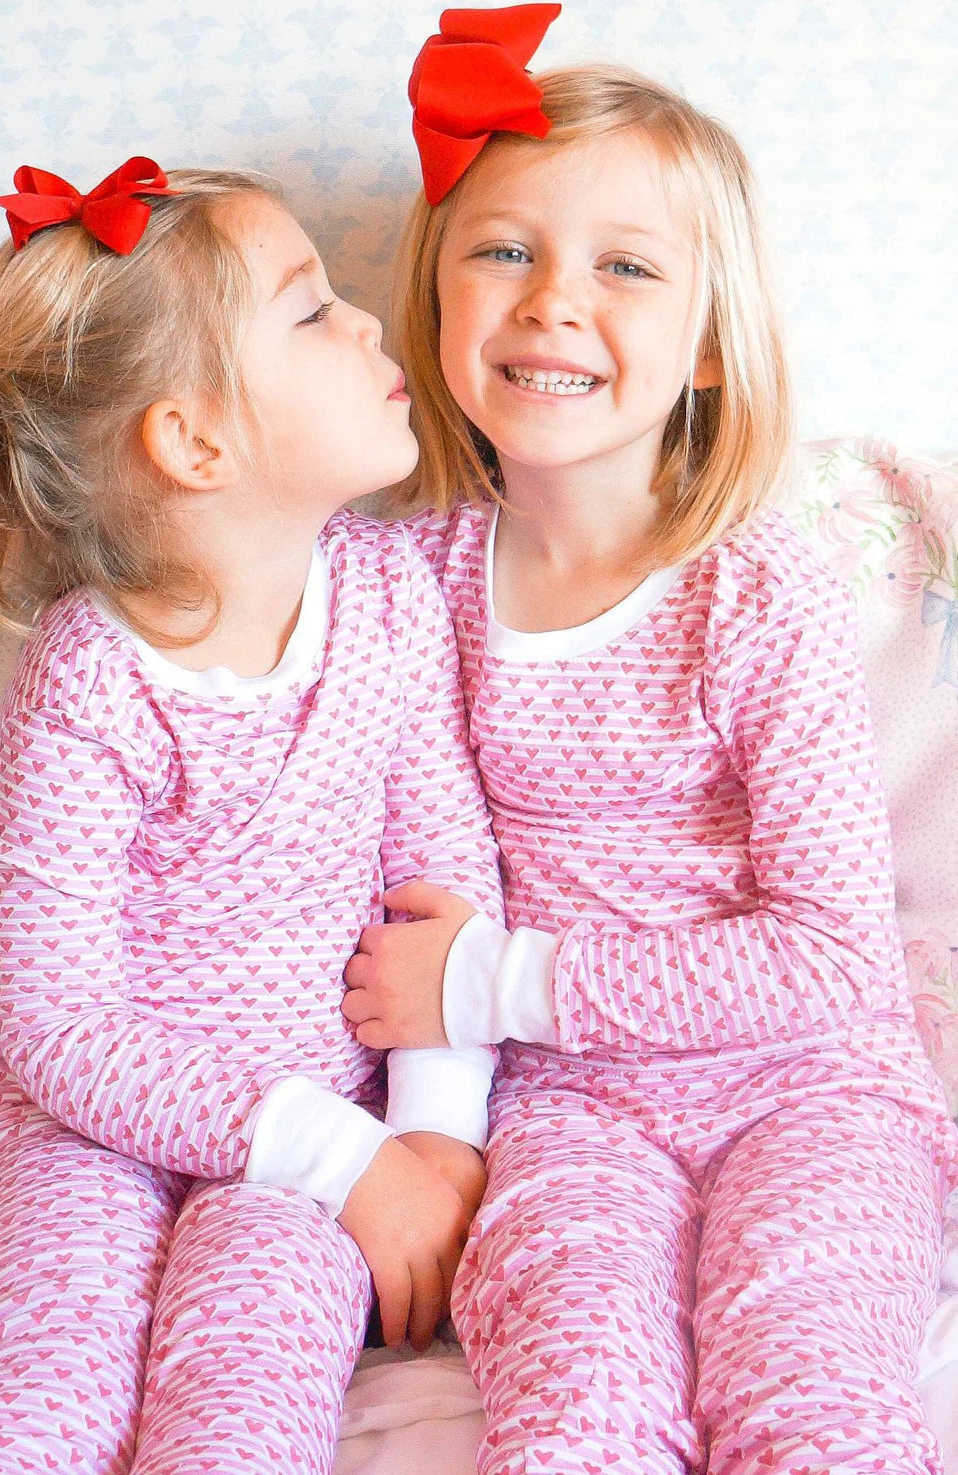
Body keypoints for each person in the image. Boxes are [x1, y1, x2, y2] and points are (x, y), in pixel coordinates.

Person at [342, 8, 958, 1473]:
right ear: (434, 297)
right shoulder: (412, 582)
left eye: (624, 266)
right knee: (570, 1404)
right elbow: (425, 873)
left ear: (703, 344)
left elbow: (827, 952)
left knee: (808, 1391)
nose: (554, 301)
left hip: (809, 1083)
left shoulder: (758, 590)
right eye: (505, 251)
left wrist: (492, 981)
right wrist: (435, 1115)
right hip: (567, 1109)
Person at [0, 156, 503, 1475]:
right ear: (194, 442)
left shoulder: (391, 599)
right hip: (87, 1131)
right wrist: (340, 1155)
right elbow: (57, 1028)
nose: (369, 322)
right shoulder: (87, 683)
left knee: (248, 1402)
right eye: (312, 310)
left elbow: (444, 873)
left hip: (311, 1142)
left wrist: (433, 1128)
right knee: (39, 1393)